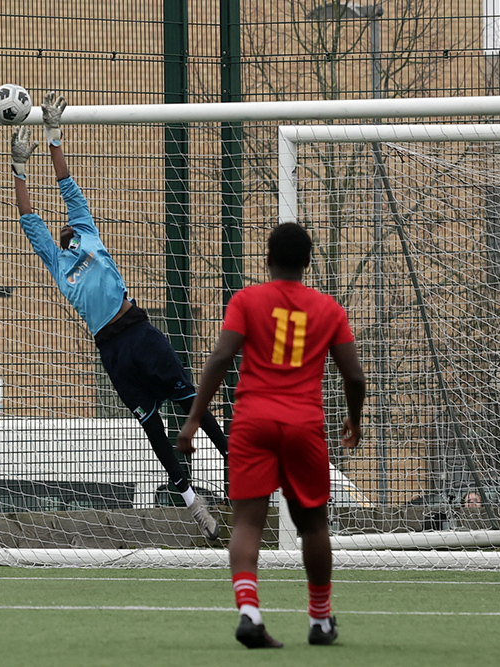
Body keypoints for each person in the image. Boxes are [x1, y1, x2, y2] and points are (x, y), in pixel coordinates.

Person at [10, 91, 230, 544]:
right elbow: (29, 217)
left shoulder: (87, 231)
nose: (64, 225)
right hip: (111, 352)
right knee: (152, 428)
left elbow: (66, 184)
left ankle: (235, 460)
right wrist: (18, 168)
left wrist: (53, 135)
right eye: (60, 227)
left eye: (69, 222)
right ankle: (194, 505)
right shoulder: (56, 260)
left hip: (139, 333)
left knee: (190, 401)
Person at [177, 222, 366, 648]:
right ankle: (320, 620)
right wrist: (354, 419)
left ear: (267, 260)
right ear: (308, 263)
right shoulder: (329, 310)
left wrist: (194, 420)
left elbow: (221, 356)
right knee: (313, 524)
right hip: (303, 426)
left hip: (252, 423)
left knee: (247, 521)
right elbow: (354, 376)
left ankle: (249, 612)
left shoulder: (246, 300)